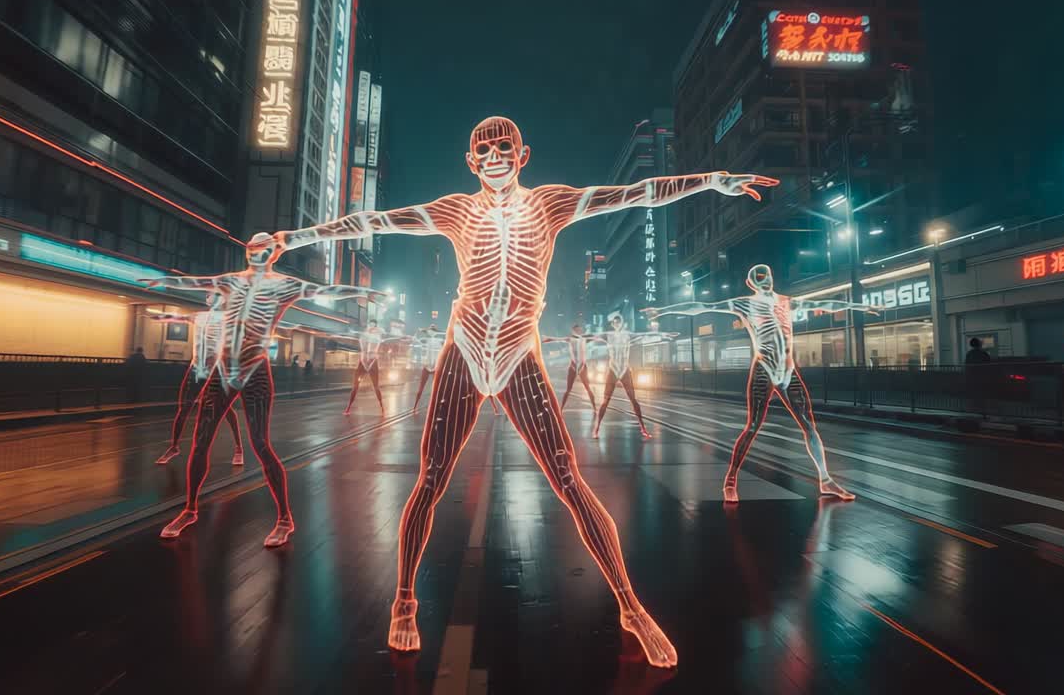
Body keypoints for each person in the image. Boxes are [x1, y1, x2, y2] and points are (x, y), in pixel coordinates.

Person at [272, 115, 777, 668]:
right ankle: (405, 599)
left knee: (569, 479)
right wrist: (297, 237)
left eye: (503, 146)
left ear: (523, 154)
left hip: (518, 354)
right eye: (482, 148)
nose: (493, 155)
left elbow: (634, 193)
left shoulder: (550, 205)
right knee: (431, 480)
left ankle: (631, 606)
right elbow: (376, 220)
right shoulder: (454, 211)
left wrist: (710, 180)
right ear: (470, 161)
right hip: (464, 349)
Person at [139, 234, 381, 547]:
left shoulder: (284, 285)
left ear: (273, 254)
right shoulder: (231, 281)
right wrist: (164, 282)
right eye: (253, 247)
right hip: (223, 369)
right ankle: (190, 509)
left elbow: (325, 290)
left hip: (255, 370)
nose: (258, 252)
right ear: (247, 250)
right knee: (200, 441)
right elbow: (199, 282)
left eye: (265, 248)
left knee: (260, 443)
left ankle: (284, 518)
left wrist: (363, 291)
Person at [645, 264, 874, 503]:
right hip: (764, 368)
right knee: (753, 426)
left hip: (788, 370)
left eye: (767, 275)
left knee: (808, 424)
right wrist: (662, 310)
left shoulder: (786, 301)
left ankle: (825, 480)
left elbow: (823, 304)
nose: (765, 280)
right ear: (751, 283)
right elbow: (703, 307)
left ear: (772, 277)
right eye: (759, 277)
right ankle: (730, 480)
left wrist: (858, 306)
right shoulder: (745, 304)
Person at [147, 296, 245, 466]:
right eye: (210, 295)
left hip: (216, 369)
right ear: (207, 300)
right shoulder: (198, 316)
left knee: (225, 409)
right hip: (196, 368)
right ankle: (174, 447)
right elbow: (179, 318)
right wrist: (160, 317)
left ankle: (239, 448)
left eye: (218, 296)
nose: (213, 298)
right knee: (184, 407)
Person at [590, 313, 677, 440]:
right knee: (605, 401)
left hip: (624, 369)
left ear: (622, 323)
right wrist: (577, 337)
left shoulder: (628, 335)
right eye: (615, 322)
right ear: (613, 324)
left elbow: (645, 335)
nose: (617, 324)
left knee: (634, 401)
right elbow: (592, 337)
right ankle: (596, 429)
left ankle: (643, 428)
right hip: (613, 369)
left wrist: (664, 334)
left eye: (619, 321)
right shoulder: (608, 335)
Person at [541, 324, 598, 409]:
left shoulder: (584, 339)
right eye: (576, 330)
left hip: (582, 366)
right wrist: (546, 339)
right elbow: (557, 339)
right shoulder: (570, 339)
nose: (578, 331)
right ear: (573, 331)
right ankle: (561, 408)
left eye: (579, 330)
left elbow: (596, 337)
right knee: (568, 389)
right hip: (573, 366)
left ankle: (595, 408)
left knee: (587, 387)